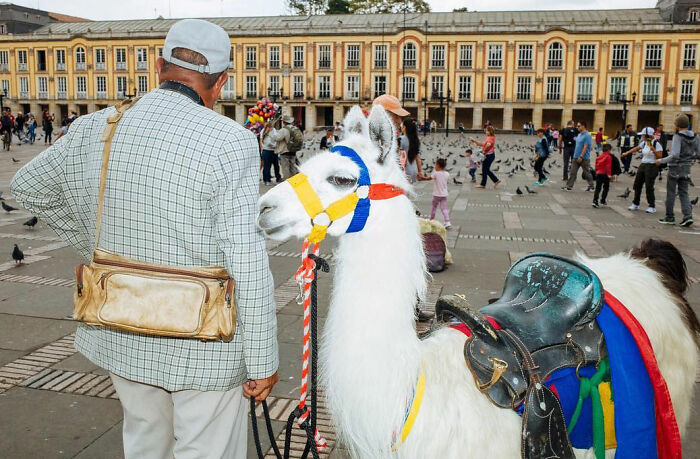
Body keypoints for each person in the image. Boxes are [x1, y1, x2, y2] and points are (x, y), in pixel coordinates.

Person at [11, 19, 277, 459]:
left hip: (123, 322)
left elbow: (27, 186)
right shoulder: (230, 140)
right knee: (208, 450)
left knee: (144, 442)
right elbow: (245, 258)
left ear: (159, 66)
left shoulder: (97, 125)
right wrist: (264, 358)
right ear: (222, 81)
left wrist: (93, 243)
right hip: (206, 337)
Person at [657, 114, 698, 227]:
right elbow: (698, 154)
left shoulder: (677, 136)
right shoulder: (695, 136)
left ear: (677, 125)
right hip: (686, 168)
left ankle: (670, 217)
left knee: (671, 193)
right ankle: (688, 216)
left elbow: (675, 154)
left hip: (675, 168)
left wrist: (661, 160)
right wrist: (689, 159)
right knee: (684, 192)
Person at [621, 126, 663, 213]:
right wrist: (626, 153)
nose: (642, 136)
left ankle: (652, 206)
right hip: (643, 165)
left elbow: (660, 156)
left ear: (648, 135)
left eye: (643, 135)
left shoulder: (656, 143)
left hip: (652, 166)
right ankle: (635, 203)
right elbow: (637, 148)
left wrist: (654, 150)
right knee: (637, 184)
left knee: (649, 186)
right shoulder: (644, 143)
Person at [563, 121, 594, 192]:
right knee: (572, 172)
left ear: (583, 126)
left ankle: (591, 186)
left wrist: (581, 156)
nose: (577, 127)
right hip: (575, 156)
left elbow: (585, 147)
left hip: (584, 158)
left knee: (587, 173)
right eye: (577, 126)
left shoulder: (587, 135)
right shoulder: (579, 135)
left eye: (579, 126)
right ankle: (569, 186)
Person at [424, 157, 451, 228]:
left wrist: (422, 178)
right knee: (444, 208)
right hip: (444, 195)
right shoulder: (447, 174)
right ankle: (447, 221)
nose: (434, 166)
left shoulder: (436, 174)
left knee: (434, 207)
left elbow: (429, 178)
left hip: (436, 195)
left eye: (435, 165)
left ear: (438, 166)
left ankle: (431, 219)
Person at [271, 114, 297, 179]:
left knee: (285, 168)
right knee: (292, 167)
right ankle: (294, 181)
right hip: (293, 151)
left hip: (285, 150)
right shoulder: (295, 129)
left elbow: (277, 138)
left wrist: (271, 134)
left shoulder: (284, 130)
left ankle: (287, 182)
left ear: (284, 122)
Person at [400, 118, 425, 183]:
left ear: (404, 127)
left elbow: (400, 156)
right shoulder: (416, 140)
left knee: (402, 192)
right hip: (413, 171)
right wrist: (420, 172)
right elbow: (418, 158)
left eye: (402, 126)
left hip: (404, 171)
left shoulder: (401, 139)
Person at [260, 121, 282, 186]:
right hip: (267, 151)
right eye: (271, 127)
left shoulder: (272, 131)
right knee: (267, 166)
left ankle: (270, 178)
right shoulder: (265, 133)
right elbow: (268, 143)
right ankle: (266, 180)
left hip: (272, 151)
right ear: (268, 127)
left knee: (275, 165)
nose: (272, 128)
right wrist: (275, 145)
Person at [592, 144, 613, 208]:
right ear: (609, 150)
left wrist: (596, 171)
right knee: (606, 187)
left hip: (599, 173)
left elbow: (596, 165)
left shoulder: (599, 157)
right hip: (605, 174)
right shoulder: (609, 157)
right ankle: (603, 200)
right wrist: (609, 175)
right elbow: (608, 166)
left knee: (598, 188)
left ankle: (595, 201)